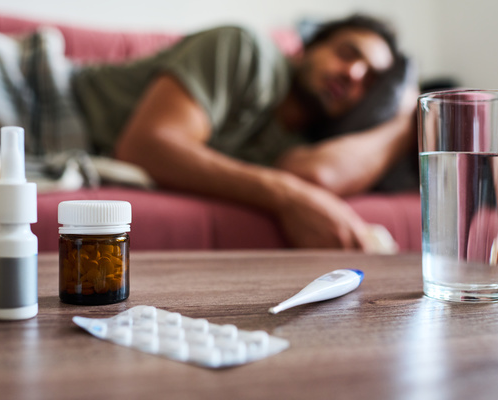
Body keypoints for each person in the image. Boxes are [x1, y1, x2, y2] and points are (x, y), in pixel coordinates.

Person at [70, 14, 418, 250]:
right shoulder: (245, 50)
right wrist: (285, 195)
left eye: (369, 80)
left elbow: (318, 175)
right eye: (346, 54)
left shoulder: (299, 141)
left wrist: (405, 120)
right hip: (37, 92)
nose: (354, 74)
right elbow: (145, 146)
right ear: (307, 49)